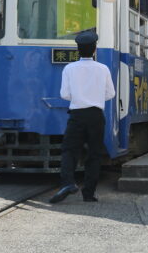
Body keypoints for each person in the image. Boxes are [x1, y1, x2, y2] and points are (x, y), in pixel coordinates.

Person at [49, 30, 115, 203]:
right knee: (94, 154)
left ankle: (68, 183)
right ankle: (89, 193)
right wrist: (95, 97)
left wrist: (79, 96)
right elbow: (111, 94)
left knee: (69, 151)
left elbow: (64, 94)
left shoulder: (69, 68)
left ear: (78, 50)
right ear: (94, 50)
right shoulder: (103, 69)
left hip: (77, 115)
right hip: (96, 115)